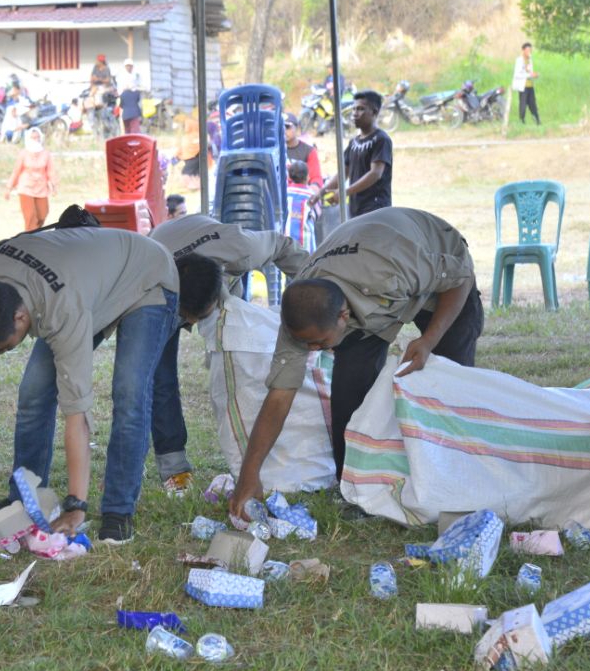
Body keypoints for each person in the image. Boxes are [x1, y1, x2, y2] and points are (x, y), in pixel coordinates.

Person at [227, 208, 483, 523]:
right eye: (307, 345)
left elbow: (459, 279)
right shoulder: (302, 316)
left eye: (319, 344)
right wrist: (248, 475)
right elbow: (279, 397)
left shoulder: (391, 269)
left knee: (449, 385)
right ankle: (355, 490)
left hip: (438, 267)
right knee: (349, 394)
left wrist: (429, 340)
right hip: (372, 292)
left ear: (344, 317)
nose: (313, 351)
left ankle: (453, 480)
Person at [0, 225, 179, 545]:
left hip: (146, 275)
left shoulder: (61, 310)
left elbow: (77, 416)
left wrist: (76, 506)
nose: (1, 354)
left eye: (3, 348)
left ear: (19, 318)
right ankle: (24, 500)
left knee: (129, 390)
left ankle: (117, 510)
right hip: (88, 282)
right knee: (33, 392)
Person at [147, 214, 310, 493]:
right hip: (160, 280)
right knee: (159, 377)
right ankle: (174, 469)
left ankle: (249, 444)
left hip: (210, 265)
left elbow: (284, 246)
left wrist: (317, 299)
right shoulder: (150, 278)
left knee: (233, 354)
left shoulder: (242, 248)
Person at [312, 90, 391, 218]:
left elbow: (375, 173)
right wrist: (320, 193)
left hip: (376, 209)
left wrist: (344, 192)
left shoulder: (381, 140)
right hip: (356, 208)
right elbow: (343, 173)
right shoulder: (354, 142)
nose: (355, 114)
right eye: (354, 109)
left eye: (360, 109)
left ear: (374, 112)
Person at [5, 127, 57, 231]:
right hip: (26, 188)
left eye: (37, 137)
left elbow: (50, 171)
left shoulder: (46, 153)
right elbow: (16, 171)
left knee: (43, 213)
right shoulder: (23, 153)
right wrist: (9, 188)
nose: (35, 140)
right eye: (33, 138)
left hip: (41, 188)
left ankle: (34, 233)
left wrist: (54, 186)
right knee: (30, 217)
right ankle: (31, 240)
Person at [285, 160, 317, 254]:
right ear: (307, 177)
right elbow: (317, 214)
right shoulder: (311, 195)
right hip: (305, 243)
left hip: (287, 240)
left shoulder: (286, 192)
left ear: (290, 176)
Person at [283, 112, 322, 188]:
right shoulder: (274, 150)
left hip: (301, 195)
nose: (284, 131)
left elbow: (316, 178)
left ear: (297, 129)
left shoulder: (308, 151)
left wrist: (313, 190)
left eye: (287, 127)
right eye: (281, 127)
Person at [513, 42, 540, 125]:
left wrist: (534, 75)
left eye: (530, 50)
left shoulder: (530, 60)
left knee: (532, 103)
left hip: (530, 85)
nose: (529, 52)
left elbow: (529, 71)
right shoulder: (519, 60)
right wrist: (530, 75)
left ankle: (537, 121)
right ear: (523, 50)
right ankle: (522, 121)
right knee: (523, 104)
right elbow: (517, 74)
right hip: (523, 86)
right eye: (528, 50)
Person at [177, 110, 202, 192]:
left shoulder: (191, 137)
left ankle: (192, 186)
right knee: (195, 173)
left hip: (192, 158)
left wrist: (178, 155)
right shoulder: (195, 135)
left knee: (186, 172)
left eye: (185, 126)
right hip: (194, 157)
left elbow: (184, 147)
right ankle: (196, 185)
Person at [120, 58, 143, 134]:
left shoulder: (136, 75)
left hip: (127, 108)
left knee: (129, 130)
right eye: (127, 66)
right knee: (133, 130)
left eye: (130, 66)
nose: (129, 67)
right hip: (130, 107)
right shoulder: (122, 75)